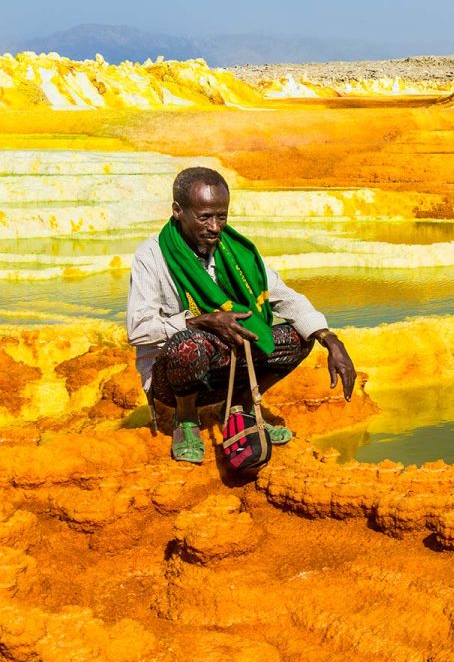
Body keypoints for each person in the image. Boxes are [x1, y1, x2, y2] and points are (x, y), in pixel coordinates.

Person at [127, 166, 356, 463]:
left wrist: (330, 339)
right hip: (173, 379)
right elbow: (138, 328)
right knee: (189, 343)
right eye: (204, 217)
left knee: (300, 336)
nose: (214, 227)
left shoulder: (237, 252)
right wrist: (200, 321)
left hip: (225, 367)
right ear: (178, 211)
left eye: (221, 216)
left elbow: (284, 296)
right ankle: (187, 421)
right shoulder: (152, 256)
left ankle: (239, 410)